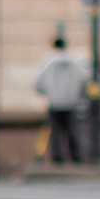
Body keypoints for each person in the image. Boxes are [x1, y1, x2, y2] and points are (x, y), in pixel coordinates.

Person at [34, 35, 87, 165]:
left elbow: (38, 83)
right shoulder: (75, 61)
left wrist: (50, 92)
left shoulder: (48, 62)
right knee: (73, 130)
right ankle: (76, 156)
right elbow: (84, 79)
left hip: (55, 102)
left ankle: (57, 158)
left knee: (56, 132)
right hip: (71, 102)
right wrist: (77, 93)